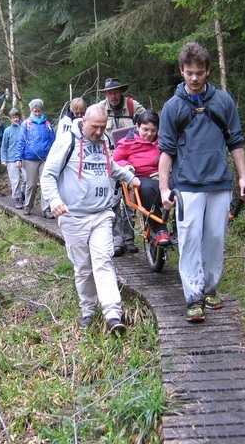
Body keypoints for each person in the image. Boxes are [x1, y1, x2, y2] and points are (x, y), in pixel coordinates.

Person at [158, 41, 245, 323]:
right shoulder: (172, 108)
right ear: (182, 72)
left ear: (208, 71)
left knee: (215, 238)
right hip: (187, 185)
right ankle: (193, 297)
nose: (194, 78)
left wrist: (243, 178)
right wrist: (163, 187)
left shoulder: (223, 102)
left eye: (199, 72)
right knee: (189, 241)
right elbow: (166, 151)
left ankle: (210, 289)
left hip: (219, 182)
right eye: (189, 73)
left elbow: (236, 141)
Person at [40, 104, 141, 333]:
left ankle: (113, 313)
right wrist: (54, 200)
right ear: (83, 120)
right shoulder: (67, 141)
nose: (98, 132)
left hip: (102, 214)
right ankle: (88, 309)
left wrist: (128, 176)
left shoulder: (104, 141)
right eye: (95, 127)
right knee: (84, 267)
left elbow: (110, 166)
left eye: (102, 127)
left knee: (103, 260)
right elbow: (48, 175)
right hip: (73, 216)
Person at [98, 78, 147, 256]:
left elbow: (148, 124)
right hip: (109, 159)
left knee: (131, 200)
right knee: (112, 201)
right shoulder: (100, 109)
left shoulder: (134, 107)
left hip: (131, 160)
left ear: (121, 92)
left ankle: (129, 239)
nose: (113, 95)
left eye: (116, 92)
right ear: (106, 94)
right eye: (110, 92)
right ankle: (116, 240)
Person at [112, 110, 170, 246]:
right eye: (145, 130)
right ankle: (158, 228)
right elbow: (114, 161)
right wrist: (127, 166)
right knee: (148, 189)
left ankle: (178, 228)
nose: (149, 134)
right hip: (141, 177)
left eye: (153, 130)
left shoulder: (162, 142)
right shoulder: (127, 143)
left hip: (162, 174)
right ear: (137, 127)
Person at [14, 99, 56, 218]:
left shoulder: (47, 124)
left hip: (45, 158)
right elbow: (20, 141)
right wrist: (18, 158)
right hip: (29, 159)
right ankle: (28, 205)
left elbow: (53, 141)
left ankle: (46, 209)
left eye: (39, 111)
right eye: (35, 111)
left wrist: (54, 156)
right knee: (31, 184)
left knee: (45, 183)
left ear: (41, 110)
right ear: (31, 110)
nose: (37, 113)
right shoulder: (26, 124)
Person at [1, 108, 26, 209]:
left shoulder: (24, 128)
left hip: (24, 158)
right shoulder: (7, 131)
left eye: (17, 117)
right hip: (11, 159)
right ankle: (18, 200)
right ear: (10, 119)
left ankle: (24, 195)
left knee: (26, 179)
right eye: (13, 117)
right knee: (15, 181)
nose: (15, 119)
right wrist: (4, 159)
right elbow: (4, 146)